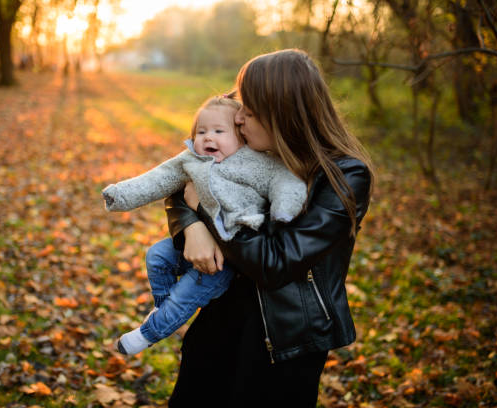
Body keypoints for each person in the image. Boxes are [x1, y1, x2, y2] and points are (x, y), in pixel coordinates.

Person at [164, 49, 374, 407]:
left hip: (286, 343)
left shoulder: (343, 178)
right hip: (220, 322)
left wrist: (207, 211)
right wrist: (191, 227)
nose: (239, 119)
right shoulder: (254, 152)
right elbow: (182, 181)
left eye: (249, 110)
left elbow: (276, 263)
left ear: (281, 113)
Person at [101, 95, 307, 355]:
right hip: (197, 243)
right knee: (157, 256)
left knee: (184, 296)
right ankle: (162, 310)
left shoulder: (256, 161)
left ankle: (147, 334)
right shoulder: (190, 160)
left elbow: (283, 180)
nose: (208, 137)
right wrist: (120, 195)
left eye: (219, 131)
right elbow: (157, 179)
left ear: (241, 136)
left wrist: (285, 209)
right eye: (201, 132)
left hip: (229, 253)